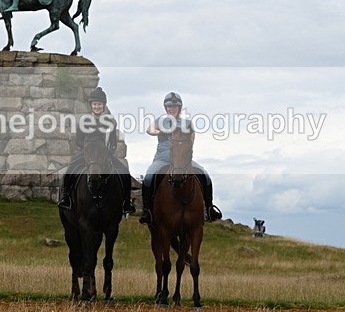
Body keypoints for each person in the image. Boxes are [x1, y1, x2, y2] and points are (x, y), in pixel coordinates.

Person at [139, 92, 223, 224]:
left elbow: (191, 140)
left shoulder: (187, 123)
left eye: (174, 106)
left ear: (180, 107)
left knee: (205, 175)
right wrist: (161, 131)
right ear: (165, 108)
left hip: (182, 159)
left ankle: (209, 208)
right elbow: (150, 130)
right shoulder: (160, 121)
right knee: (148, 177)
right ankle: (147, 211)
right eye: (169, 107)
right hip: (162, 158)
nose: (171, 109)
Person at [58, 87, 135, 215]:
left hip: (104, 155)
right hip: (88, 155)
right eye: (95, 104)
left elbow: (113, 142)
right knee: (69, 172)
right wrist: (86, 150)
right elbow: (79, 141)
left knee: (124, 173)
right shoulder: (84, 121)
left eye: (99, 104)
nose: (97, 106)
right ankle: (66, 198)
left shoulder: (110, 122)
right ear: (91, 105)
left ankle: (126, 203)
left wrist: (109, 151)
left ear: (103, 105)